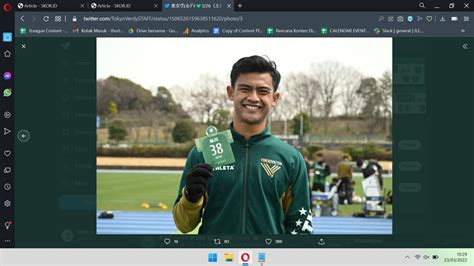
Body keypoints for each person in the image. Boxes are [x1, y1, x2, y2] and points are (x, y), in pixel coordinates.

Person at [172, 55, 313, 235]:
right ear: (231, 93)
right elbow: (183, 225)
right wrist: (190, 198)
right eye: (245, 89)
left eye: (263, 91)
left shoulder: (290, 158)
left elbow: (300, 228)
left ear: (274, 98)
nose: (253, 97)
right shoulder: (203, 151)